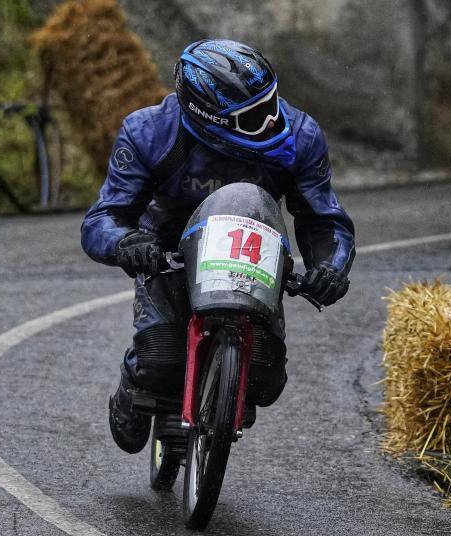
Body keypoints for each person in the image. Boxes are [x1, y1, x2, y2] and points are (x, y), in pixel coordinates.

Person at [81, 39, 356, 454]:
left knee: (266, 378)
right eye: (254, 117)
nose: (271, 123)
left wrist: (330, 266)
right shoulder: (148, 132)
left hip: (252, 251)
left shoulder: (302, 136)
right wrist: (128, 243)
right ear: (209, 118)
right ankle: (133, 377)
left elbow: (323, 218)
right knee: (160, 363)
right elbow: (102, 218)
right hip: (168, 254)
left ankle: (223, 395)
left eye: (272, 105)